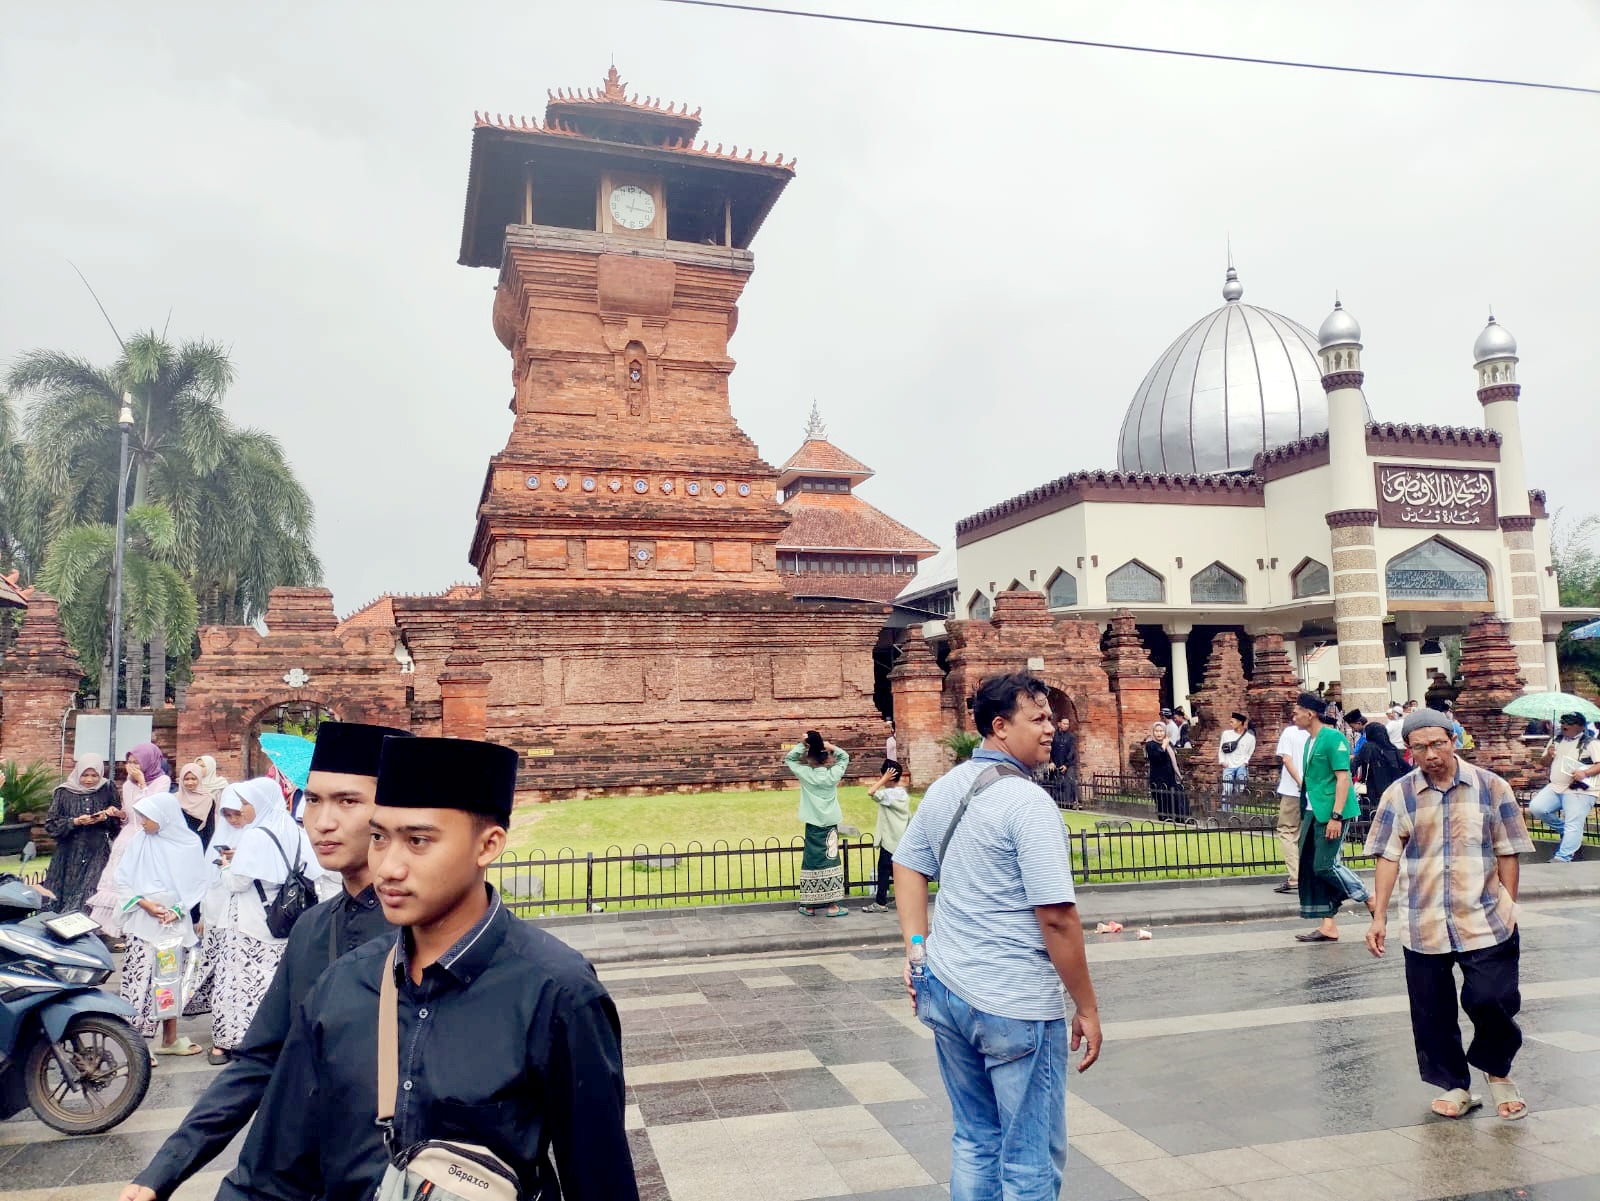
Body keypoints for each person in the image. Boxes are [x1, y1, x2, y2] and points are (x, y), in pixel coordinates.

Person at [233, 735, 637, 1201]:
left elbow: (601, 1181)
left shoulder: (557, 992)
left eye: (418, 841)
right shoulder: (342, 986)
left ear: (488, 846)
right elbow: (268, 1175)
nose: (388, 868)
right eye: (381, 837)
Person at [122, 724, 412, 1201]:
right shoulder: (314, 928)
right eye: (313, 800)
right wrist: (163, 1171)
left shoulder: (427, 936)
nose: (321, 821)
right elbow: (259, 1058)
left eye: (348, 801)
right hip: (282, 1174)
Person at [892, 672, 1101, 1201]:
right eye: (1039, 718)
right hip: (1014, 1003)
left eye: (1051, 716)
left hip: (947, 988)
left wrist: (917, 953)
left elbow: (907, 864)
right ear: (1000, 727)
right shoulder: (1028, 803)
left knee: (976, 1139)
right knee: (1029, 1156)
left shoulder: (947, 786)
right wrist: (1087, 1007)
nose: (1052, 727)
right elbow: (1056, 916)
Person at [1365, 708, 1535, 1121]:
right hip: (1423, 922)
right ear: (1409, 751)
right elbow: (1387, 856)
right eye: (1420, 747)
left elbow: (1508, 849)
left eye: (1438, 743)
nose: (1431, 754)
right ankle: (1455, 1085)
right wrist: (1379, 915)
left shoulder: (1491, 788)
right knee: (1431, 1012)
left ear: (1453, 740)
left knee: (1492, 999)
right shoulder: (1399, 795)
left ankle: (1496, 1069)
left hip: (1485, 918)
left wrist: (1508, 903)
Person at [202, 778, 327, 1066]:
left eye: (246, 803)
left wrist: (225, 867)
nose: (243, 809)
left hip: (249, 921)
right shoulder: (295, 831)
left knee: (238, 982)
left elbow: (238, 882)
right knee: (274, 982)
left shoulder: (255, 835)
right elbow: (309, 868)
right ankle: (276, 1038)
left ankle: (230, 1041)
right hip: (286, 918)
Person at [115, 791, 210, 1057]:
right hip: (144, 922)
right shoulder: (140, 841)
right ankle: (138, 1048)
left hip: (173, 924)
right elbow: (122, 879)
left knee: (169, 980)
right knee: (140, 982)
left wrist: (178, 909)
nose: (142, 822)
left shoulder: (189, 844)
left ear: (163, 816)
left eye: (146, 817)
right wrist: (145, 904)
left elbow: (196, 883)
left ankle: (169, 1039)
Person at [1293, 691, 1374, 943]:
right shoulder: (1310, 741)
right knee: (1312, 866)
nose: (1293, 716)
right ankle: (1328, 924)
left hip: (1332, 811)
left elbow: (1343, 778)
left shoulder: (1333, 738)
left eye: (1296, 712)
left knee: (1325, 865)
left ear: (1310, 714)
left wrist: (1336, 816)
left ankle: (1367, 896)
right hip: (1313, 809)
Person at [88, 742, 172, 946]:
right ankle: (115, 929)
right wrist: (118, 813)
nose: (132, 767)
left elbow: (151, 809)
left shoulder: (162, 781)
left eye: (137, 762)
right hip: (128, 837)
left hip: (149, 836)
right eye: (130, 762)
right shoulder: (127, 784)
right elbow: (130, 814)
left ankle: (136, 929)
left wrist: (143, 783)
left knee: (141, 883)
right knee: (119, 882)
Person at [40, 754, 122, 916]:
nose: (89, 780)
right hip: (68, 852)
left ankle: (85, 929)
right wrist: (75, 822)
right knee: (60, 896)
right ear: (78, 773)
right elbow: (51, 825)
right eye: (85, 775)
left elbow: (117, 825)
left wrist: (106, 817)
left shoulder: (106, 788)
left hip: (97, 849)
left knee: (90, 890)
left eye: (94, 775)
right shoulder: (64, 792)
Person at [785, 730, 851, 917]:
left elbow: (789, 759)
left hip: (813, 823)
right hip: (830, 823)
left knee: (812, 861)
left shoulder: (806, 774)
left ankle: (810, 905)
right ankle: (833, 905)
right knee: (831, 858)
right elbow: (844, 757)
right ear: (826, 758)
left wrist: (803, 744)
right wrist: (831, 747)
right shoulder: (833, 775)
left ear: (810, 758)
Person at [1527, 713, 1598, 863]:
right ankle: (1567, 832)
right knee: (1537, 807)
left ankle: (1563, 857)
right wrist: (1549, 755)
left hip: (1579, 789)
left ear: (1580, 726)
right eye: (1563, 722)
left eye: (1569, 723)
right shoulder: (1556, 739)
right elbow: (1544, 763)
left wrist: (1584, 772)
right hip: (1556, 786)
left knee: (1573, 821)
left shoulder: (1590, 742)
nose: (1564, 726)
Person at [1271, 712, 1311, 894]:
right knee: (1306, 833)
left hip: (1293, 790)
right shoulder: (1322, 733)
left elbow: (1286, 759)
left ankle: (1296, 876)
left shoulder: (1290, 732)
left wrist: (1300, 782)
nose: (1294, 716)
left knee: (1287, 830)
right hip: (1314, 790)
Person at [863, 764, 909, 913]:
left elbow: (871, 792)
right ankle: (903, 900)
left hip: (889, 840)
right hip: (901, 839)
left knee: (883, 871)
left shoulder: (888, 795)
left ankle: (880, 902)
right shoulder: (902, 794)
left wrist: (883, 779)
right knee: (898, 872)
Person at [1352, 722, 1407, 824]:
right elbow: (1406, 769)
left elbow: (1354, 764)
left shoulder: (1368, 747)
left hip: (1372, 790)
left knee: (1370, 818)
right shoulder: (1392, 748)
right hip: (1392, 790)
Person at [1144, 719, 1187, 820]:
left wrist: (1179, 774)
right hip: (1158, 779)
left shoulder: (1169, 745)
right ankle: (1164, 820)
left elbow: (1174, 761)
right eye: (1156, 731)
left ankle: (1177, 820)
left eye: (1161, 731)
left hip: (1170, 778)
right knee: (1162, 803)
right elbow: (1158, 757)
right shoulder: (1151, 745)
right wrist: (1163, 745)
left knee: (1174, 802)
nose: (1159, 733)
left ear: (1165, 732)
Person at [175, 761, 219, 849]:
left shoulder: (208, 799)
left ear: (199, 779)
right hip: (179, 843)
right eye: (186, 779)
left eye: (193, 779)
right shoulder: (175, 799)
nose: (190, 782)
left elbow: (209, 828)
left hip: (200, 842)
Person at [1218, 713, 1255, 811]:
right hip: (1228, 765)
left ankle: (1236, 808)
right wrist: (1222, 761)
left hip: (1241, 766)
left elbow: (1250, 751)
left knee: (1240, 788)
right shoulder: (1226, 734)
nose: (1230, 724)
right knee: (1227, 789)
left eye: (1232, 722)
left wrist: (1245, 762)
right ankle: (1225, 810)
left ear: (1240, 723)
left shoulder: (1250, 738)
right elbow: (1221, 748)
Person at [1050, 715, 1079, 807]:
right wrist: (1051, 761)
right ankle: (1056, 802)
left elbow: (1072, 752)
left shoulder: (1071, 737)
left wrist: (1066, 765)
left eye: (1067, 724)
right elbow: (1049, 749)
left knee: (1070, 780)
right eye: (1064, 724)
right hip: (1055, 763)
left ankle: (1070, 802)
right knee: (1054, 782)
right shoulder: (1053, 735)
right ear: (1059, 724)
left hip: (1068, 763)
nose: (1066, 725)